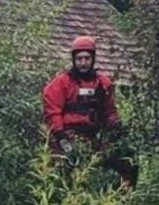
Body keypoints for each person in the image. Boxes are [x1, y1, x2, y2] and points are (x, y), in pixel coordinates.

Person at [41, 35, 138, 190]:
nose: (83, 63)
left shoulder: (102, 83)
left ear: (93, 58)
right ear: (74, 60)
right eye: (79, 59)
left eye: (87, 58)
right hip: (67, 137)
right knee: (66, 172)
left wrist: (116, 127)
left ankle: (122, 200)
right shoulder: (62, 83)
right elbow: (52, 111)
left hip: (93, 139)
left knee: (127, 159)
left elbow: (110, 111)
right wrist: (61, 137)